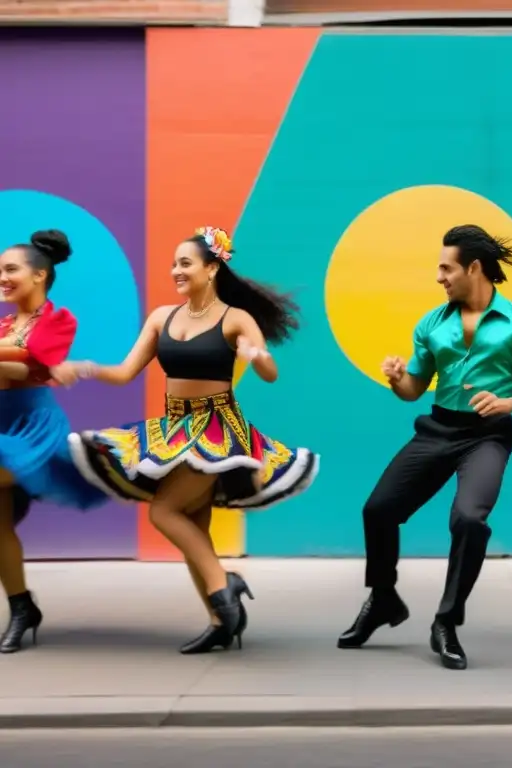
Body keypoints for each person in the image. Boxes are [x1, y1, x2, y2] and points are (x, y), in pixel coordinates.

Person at [52, 226, 319, 654]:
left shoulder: (235, 318)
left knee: (164, 511)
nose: (175, 270)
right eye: (174, 263)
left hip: (216, 431)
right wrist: (83, 366)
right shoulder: (162, 318)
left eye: (185, 263)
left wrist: (258, 356)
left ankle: (224, 586)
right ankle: (220, 621)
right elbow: (124, 373)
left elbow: (270, 375)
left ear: (211, 268)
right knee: (193, 525)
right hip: (174, 429)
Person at [336, 224, 512, 670]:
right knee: (377, 510)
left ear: (473, 268)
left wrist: (509, 402)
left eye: (446, 268)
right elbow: (415, 388)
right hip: (437, 429)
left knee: (470, 520)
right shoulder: (431, 324)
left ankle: (446, 622)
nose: (439, 277)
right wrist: (398, 378)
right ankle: (382, 599)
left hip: (488, 435)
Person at [0, 230, 107, 653]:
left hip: (31, 428)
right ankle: (22, 607)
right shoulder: (5, 323)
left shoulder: (58, 320)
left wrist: (16, 359)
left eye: (10, 270)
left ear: (39, 275)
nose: (2, 278)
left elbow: (32, 366)